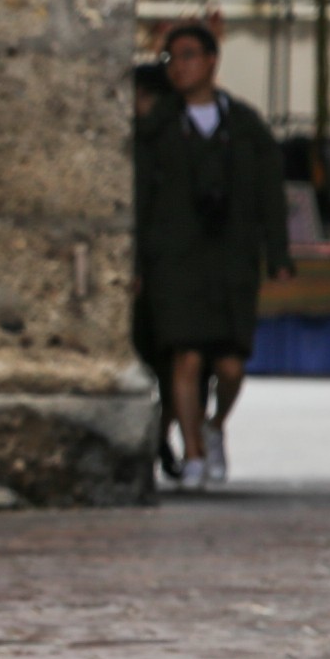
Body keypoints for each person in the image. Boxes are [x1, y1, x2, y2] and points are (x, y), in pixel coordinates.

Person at [134, 22, 292, 490]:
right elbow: (141, 196)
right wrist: (138, 262)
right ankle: (194, 453)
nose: (178, 68)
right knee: (183, 355)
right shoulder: (158, 128)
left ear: (210, 60)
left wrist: (278, 253)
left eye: (186, 56)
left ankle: (214, 423)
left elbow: (270, 195)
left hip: (230, 259)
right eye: (171, 59)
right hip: (176, 259)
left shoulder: (245, 126)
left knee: (229, 365)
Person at [128, 60, 185, 481]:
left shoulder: (158, 144)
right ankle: (162, 440)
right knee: (160, 362)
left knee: (162, 360)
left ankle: (163, 440)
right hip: (153, 269)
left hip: (162, 270)